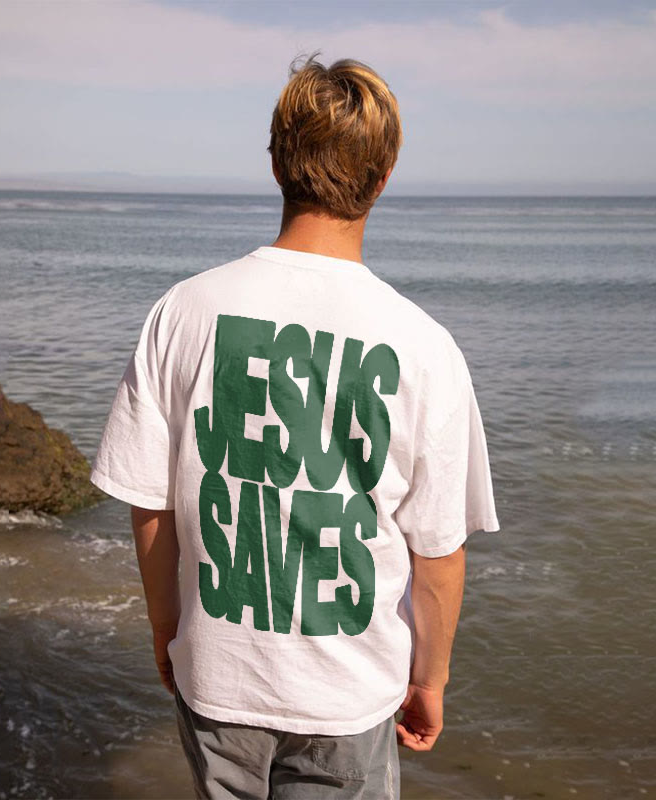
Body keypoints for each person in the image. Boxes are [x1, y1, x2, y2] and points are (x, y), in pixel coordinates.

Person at [90, 52, 500, 800]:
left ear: (277, 163)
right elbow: (437, 553)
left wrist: (168, 629)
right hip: (346, 698)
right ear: (383, 178)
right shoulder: (424, 346)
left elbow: (151, 505)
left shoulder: (184, 311)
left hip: (217, 680)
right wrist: (429, 679)